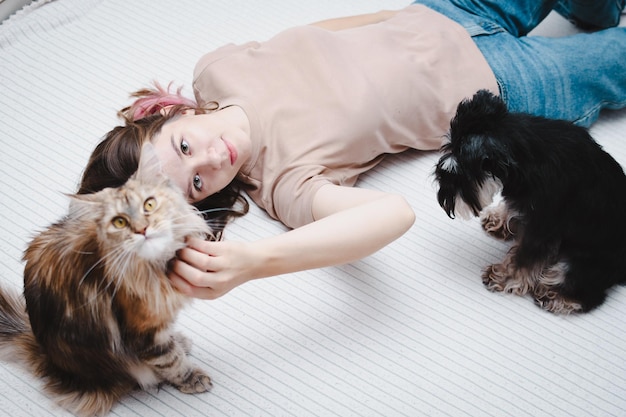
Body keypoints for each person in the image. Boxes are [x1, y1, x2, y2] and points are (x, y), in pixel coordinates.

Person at [79, 0, 626, 300]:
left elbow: (323, 29)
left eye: (183, 146)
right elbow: (393, 213)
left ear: (172, 115)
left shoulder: (215, 68)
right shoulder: (282, 182)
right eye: (197, 184)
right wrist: (252, 262)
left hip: (449, 11)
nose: (211, 161)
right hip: (502, 88)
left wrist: (396, 16)